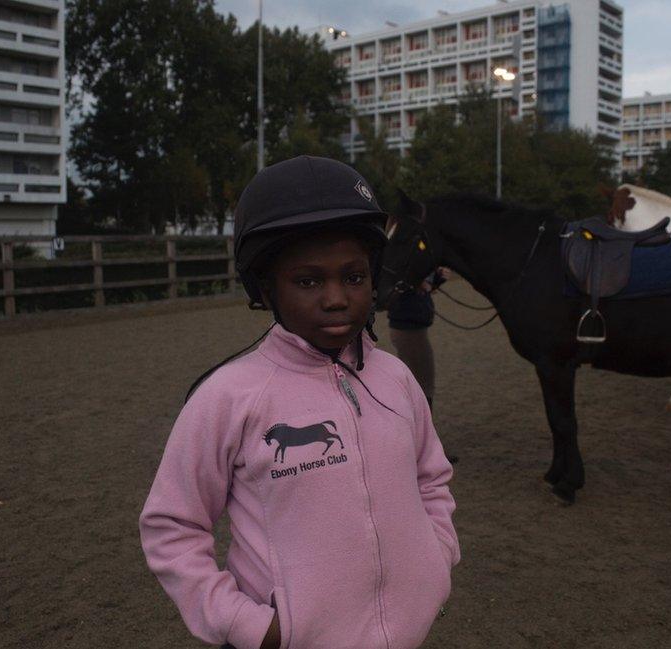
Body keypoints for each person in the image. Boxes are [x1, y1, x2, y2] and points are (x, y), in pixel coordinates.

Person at [140, 156, 459, 649]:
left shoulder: (397, 378)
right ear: (266, 288)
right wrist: (251, 625)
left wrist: (435, 562)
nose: (336, 298)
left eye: (353, 277)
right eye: (308, 281)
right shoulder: (227, 397)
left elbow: (431, 479)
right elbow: (172, 526)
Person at [386, 268, 447, 410]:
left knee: (424, 385)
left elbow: (425, 289)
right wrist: (416, 283)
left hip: (413, 328)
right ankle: (423, 429)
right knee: (422, 388)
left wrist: (436, 279)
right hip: (408, 329)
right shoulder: (402, 263)